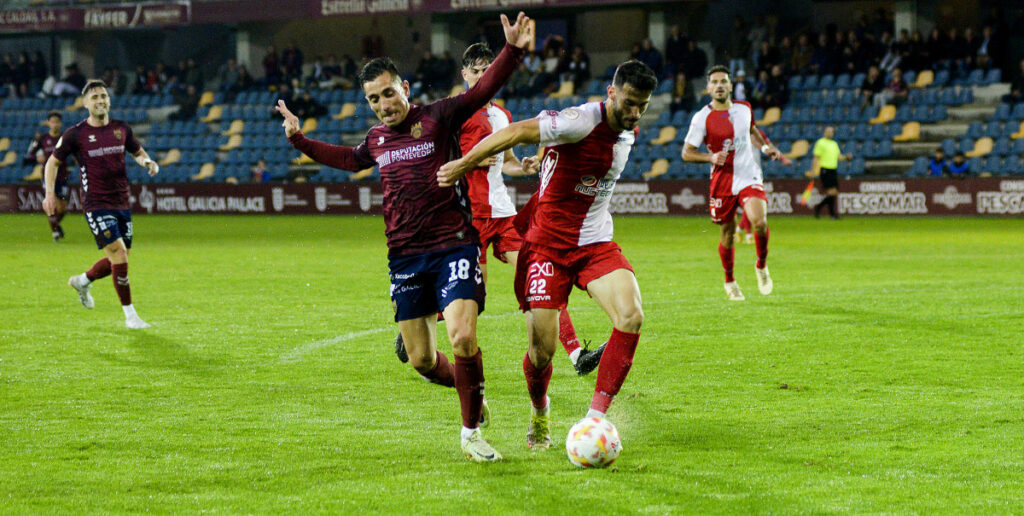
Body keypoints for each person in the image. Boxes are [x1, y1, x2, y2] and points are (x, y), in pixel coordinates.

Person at [275, 12, 533, 462]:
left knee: (462, 339)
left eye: (388, 93)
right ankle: (472, 394)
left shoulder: (440, 117)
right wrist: (299, 140)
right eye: (374, 98)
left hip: (454, 243)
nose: (382, 104)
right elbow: (347, 159)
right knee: (422, 361)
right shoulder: (376, 140)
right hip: (405, 258)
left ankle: (470, 433)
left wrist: (511, 51)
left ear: (405, 88)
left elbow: (482, 91)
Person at [438, 59, 658, 451]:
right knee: (542, 353)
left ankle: (595, 420)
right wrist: (463, 163)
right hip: (546, 247)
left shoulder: (627, 132)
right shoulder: (580, 120)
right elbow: (518, 131)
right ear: (611, 93)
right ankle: (540, 409)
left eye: (641, 105)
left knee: (631, 314)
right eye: (628, 102)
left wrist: (544, 159)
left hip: (594, 244)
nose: (634, 112)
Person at [453, 42, 605, 376]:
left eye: (486, 71)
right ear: (465, 75)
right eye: (475, 71)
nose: (481, 77)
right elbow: (443, 165)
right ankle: (420, 324)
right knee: (473, 298)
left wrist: (522, 166)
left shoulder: (502, 115)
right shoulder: (455, 113)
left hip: (505, 215)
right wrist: (471, 160)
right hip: (469, 218)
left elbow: (505, 164)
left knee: (540, 276)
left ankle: (577, 353)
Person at [43, 80, 160, 329]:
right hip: (96, 203)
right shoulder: (75, 134)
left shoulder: (122, 129)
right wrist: (49, 194)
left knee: (122, 257)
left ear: (109, 100)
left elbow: (138, 152)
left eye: (103, 96)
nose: (100, 101)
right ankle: (131, 316)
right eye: (94, 97)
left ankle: (82, 281)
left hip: (121, 201)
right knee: (118, 253)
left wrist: (148, 162)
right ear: (86, 103)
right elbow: (52, 163)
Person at [682, 65, 788, 301]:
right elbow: (686, 153)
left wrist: (766, 147)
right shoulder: (702, 117)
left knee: (759, 222)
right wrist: (709, 157)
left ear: (731, 85)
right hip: (722, 180)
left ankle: (761, 266)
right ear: (708, 88)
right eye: (715, 82)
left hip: (748, 174)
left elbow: (752, 131)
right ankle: (730, 281)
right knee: (727, 235)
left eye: (724, 81)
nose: (719, 86)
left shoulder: (745, 108)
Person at [32, 111, 68, 241]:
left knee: (63, 207)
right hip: (48, 176)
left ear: (61, 123)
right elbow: (31, 153)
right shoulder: (42, 138)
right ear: (49, 123)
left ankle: (55, 225)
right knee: (52, 203)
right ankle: (55, 234)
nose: (55, 124)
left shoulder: (65, 137)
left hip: (62, 175)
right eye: (52, 122)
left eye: (57, 122)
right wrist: (38, 156)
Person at [810, 125, 853, 219]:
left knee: (833, 193)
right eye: (828, 131)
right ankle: (830, 213)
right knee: (832, 192)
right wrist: (813, 170)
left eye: (831, 131)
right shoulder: (820, 142)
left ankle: (822, 209)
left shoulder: (834, 144)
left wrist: (846, 157)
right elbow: (816, 157)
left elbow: (839, 157)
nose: (829, 133)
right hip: (825, 169)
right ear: (824, 132)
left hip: (833, 170)